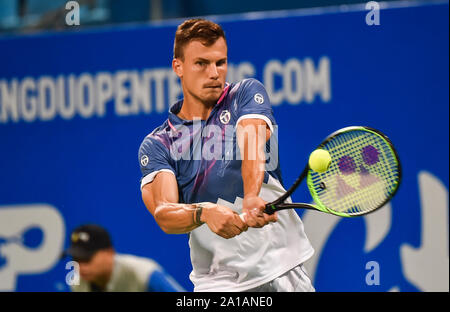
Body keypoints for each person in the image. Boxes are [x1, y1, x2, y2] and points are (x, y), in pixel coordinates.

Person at [139, 18, 315, 292]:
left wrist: (252, 195)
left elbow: (252, 145)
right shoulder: (159, 144)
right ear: (178, 67)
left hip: (282, 267)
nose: (214, 73)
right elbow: (164, 213)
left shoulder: (245, 94)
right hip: (217, 283)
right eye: (201, 63)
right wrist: (204, 213)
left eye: (220, 62)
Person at [63, 224, 185, 292]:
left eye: (87, 259)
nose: (81, 267)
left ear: (109, 253)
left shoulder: (143, 273)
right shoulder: (78, 283)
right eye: (77, 259)